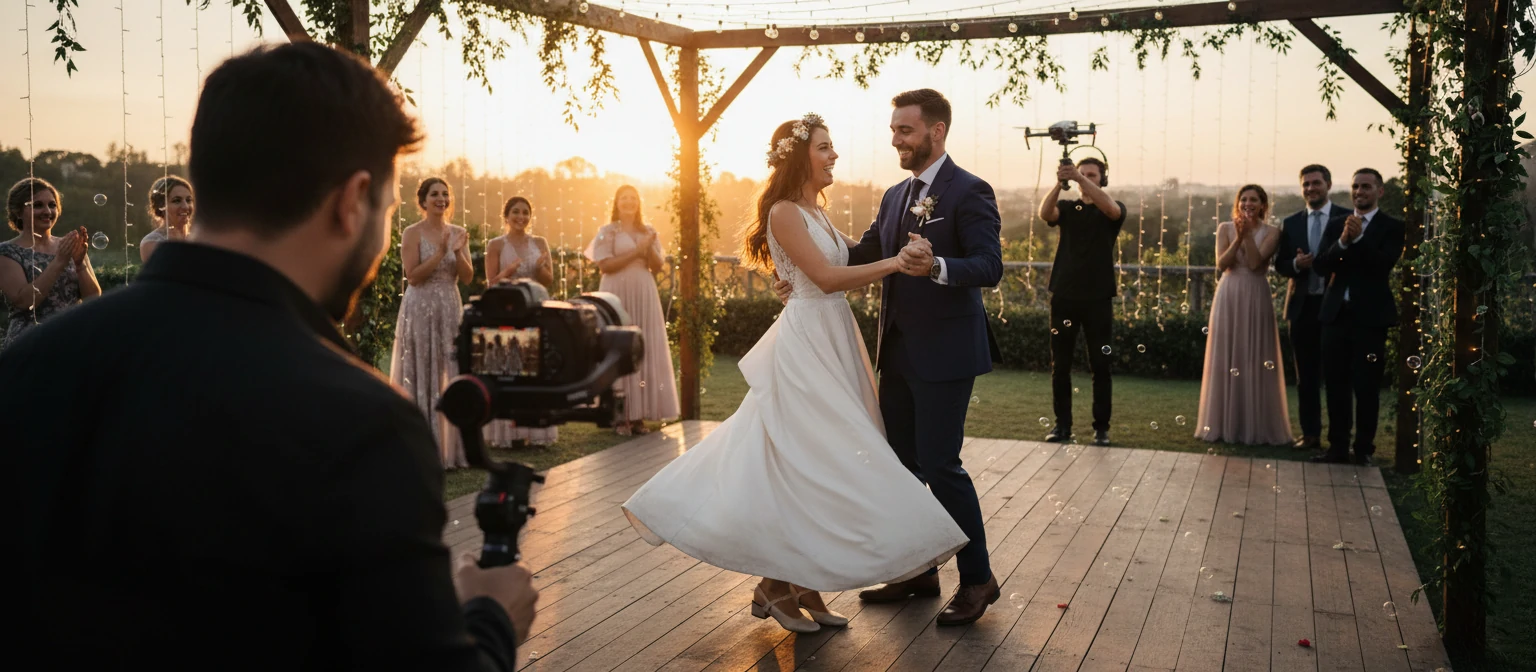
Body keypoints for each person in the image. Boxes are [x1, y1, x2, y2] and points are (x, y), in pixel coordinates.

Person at [0, 42, 533, 668]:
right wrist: (491, 620)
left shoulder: (28, 368)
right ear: (352, 200)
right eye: (387, 208)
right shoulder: (361, 423)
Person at [625, 113, 969, 635]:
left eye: (833, 147)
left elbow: (841, 258)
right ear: (799, 156)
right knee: (808, 456)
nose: (834, 156)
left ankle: (802, 584)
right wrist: (897, 265)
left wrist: (906, 249)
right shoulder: (784, 211)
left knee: (824, 457)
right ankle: (777, 583)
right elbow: (828, 278)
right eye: (825, 148)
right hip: (808, 341)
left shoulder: (816, 210)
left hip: (833, 337)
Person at [775, 90, 1004, 626]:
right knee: (900, 467)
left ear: (936, 132)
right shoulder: (895, 194)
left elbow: (989, 265)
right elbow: (864, 252)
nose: (896, 140)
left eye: (905, 131)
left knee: (942, 465)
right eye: (894, 131)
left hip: (947, 352)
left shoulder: (971, 190)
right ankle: (917, 570)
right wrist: (800, 267)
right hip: (895, 352)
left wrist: (937, 266)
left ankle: (978, 579)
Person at [1310, 168, 1404, 465]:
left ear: (1379, 191)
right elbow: (1322, 266)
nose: (1359, 192)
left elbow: (1381, 266)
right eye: (1355, 187)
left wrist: (1360, 239)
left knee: (1366, 386)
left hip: (1370, 319)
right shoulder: (1338, 223)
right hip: (1335, 315)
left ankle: (1363, 450)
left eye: (1366, 186)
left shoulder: (1393, 227)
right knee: (1336, 385)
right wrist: (1343, 242)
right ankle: (1337, 448)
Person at [1194, 185, 1294, 445]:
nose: (1248, 204)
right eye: (1244, 200)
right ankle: (1222, 424)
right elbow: (1222, 263)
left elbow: (1254, 263)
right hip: (1228, 293)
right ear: (1238, 203)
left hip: (1255, 294)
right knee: (1227, 354)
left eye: (1254, 200)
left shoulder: (1273, 232)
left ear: (1263, 205)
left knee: (1254, 354)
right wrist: (1238, 237)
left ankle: (1254, 426)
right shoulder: (1226, 228)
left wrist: (1248, 234)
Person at [1039, 157, 1126, 447]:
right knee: (1060, 366)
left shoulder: (1111, 208)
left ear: (1102, 179)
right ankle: (1062, 427)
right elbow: (1044, 213)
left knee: (1101, 365)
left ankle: (1101, 429)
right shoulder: (1066, 208)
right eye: (1081, 173)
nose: (1084, 178)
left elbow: (1111, 210)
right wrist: (1060, 182)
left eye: (1091, 175)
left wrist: (1078, 176)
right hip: (1064, 295)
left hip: (1098, 297)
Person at [392, 176, 475, 469]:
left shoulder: (458, 232)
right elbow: (413, 276)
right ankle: (420, 442)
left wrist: (455, 251)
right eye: (435, 194)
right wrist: (440, 251)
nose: (441, 199)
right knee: (419, 368)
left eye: (445, 194)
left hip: (449, 306)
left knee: (449, 370)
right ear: (423, 201)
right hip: (419, 306)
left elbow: (467, 277)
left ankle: (453, 448)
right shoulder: (412, 233)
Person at [586, 185, 679, 435]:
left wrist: (647, 247)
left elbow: (658, 266)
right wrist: (637, 251)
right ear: (616, 203)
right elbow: (605, 266)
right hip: (616, 294)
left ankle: (640, 416)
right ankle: (619, 416)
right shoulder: (607, 231)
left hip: (644, 291)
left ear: (639, 203)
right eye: (623, 198)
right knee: (617, 348)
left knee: (643, 348)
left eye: (633, 198)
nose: (628, 202)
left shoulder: (648, 231)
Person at [1275, 164, 1350, 450]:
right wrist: (1296, 265)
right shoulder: (1291, 222)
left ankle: (1339, 439)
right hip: (1302, 307)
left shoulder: (1346, 218)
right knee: (1305, 378)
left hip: (1336, 307)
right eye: (1305, 184)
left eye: (1316, 183)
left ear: (1328, 185)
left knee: (1337, 377)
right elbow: (1280, 264)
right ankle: (1310, 435)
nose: (1310, 189)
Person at [485, 196, 556, 448]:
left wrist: (539, 269)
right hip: (506, 309)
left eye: (525, 212)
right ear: (506, 216)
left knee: (535, 367)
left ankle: (536, 432)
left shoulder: (539, 242)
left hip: (535, 307)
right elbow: (490, 283)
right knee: (508, 369)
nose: (521, 217)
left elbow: (548, 280)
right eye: (515, 212)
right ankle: (510, 434)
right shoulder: (495, 244)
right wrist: (508, 271)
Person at [0, 177, 100, 348]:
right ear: (18, 211)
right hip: (30, 344)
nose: (47, 211)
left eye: (52, 205)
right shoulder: (6, 252)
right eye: (37, 205)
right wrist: (59, 261)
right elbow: (24, 301)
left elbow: (93, 298)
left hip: (72, 340)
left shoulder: (70, 245)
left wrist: (79, 264)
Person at [139, 175, 195, 262]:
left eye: (188, 200)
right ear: (161, 206)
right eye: (176, 200)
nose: (185, 206)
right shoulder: (151, 243)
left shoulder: (199, 239)